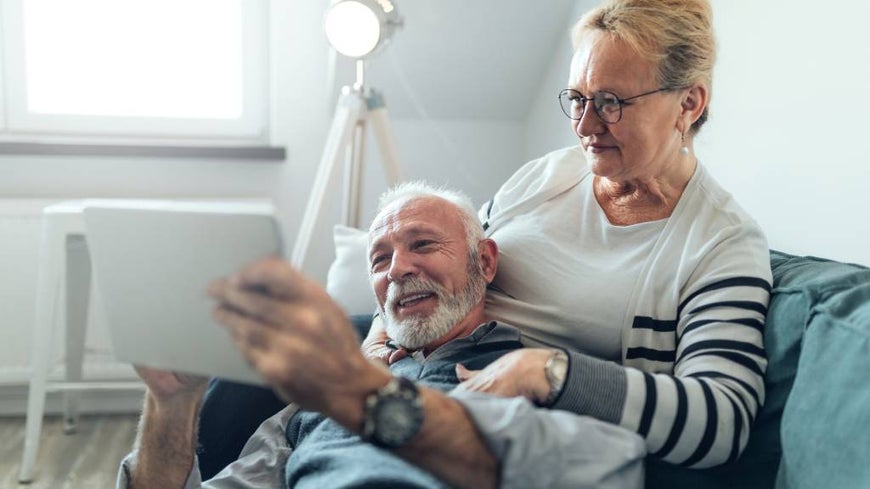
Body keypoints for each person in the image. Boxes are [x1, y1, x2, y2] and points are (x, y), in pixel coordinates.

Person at [363, 0, 772, 470]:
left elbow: (722, 421)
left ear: (688, 103)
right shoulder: (547, 176)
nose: (584, 126)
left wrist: (552, 371)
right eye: (578, 98)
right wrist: (375, 341)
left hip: (521, 432)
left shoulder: (720, 243)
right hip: (421, 366)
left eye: (611, 103)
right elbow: (444, 261)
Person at [117, 183, 646, 489]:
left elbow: (612, 469)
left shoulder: (536, 368)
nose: (398, 269)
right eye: (379, 259)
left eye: (422, 243)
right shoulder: (313, 403)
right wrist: (172, 403)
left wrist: (360, 393)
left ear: (483, 261)